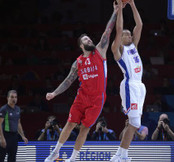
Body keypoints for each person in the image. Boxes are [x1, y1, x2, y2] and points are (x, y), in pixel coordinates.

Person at [44, 2, 119, 162]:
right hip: (81, 98)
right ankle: (55, 152)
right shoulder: (77, 62)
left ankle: (73, 159)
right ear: (81, 45)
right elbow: (68, 81)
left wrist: (115, 12)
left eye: (90, 38)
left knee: (85, 129)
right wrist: (54, 93)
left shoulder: (99, 51)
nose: (90, 40)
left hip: (97, 100)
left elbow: (108, 31)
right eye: (86, 39)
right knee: (70, 123)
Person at [110, 0, 146, 161]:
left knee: (134, 124)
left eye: (129, 34)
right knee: (133, 122)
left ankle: (121, 154)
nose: (128, 35)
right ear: (120, 38)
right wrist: (119, 11)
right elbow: (118, 29)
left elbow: (139, 25)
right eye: (125, 34)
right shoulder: (118, 50)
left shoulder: (134, 46)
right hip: (129, 85)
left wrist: (132, 3)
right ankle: (121, 154)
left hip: (140, 86)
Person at [0, 90, 28, 162]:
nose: (14, 99)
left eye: (15, 97)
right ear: (7, 98)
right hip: (5, 135)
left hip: (14, 137)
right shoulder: (4, 109)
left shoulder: (18, 109)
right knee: (1, 157)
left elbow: (18, 123)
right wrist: (2, 138)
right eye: (12, 97)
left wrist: (23, 136)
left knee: (12, 158)